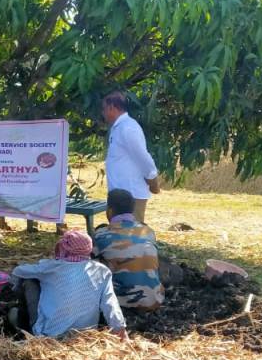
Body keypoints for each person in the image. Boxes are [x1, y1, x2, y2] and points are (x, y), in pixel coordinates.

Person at [9, 229, 127, 339]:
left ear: (63, 247)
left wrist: (18, 284)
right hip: (85, 336)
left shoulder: (51, 267)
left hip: (49, 335)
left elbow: (18, 271)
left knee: (29, 281)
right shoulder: (102, 271)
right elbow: (110, 303)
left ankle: (22, 322)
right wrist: (119, 328)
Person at [92, 189, 165, 311]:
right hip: (154, 300)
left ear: (109, 211)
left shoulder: (101, 235)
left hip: (119, 304)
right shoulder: (148, 231)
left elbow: (91, 269)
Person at [102, 91, 160, 223]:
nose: (103, 113)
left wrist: (153, 181)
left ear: (112, 107)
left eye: (104, 109)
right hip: (119, 194)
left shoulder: (128, 128)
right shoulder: (117, 128)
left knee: (133, 236)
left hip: (131, 195)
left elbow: (143, 158)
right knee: (118, 236)